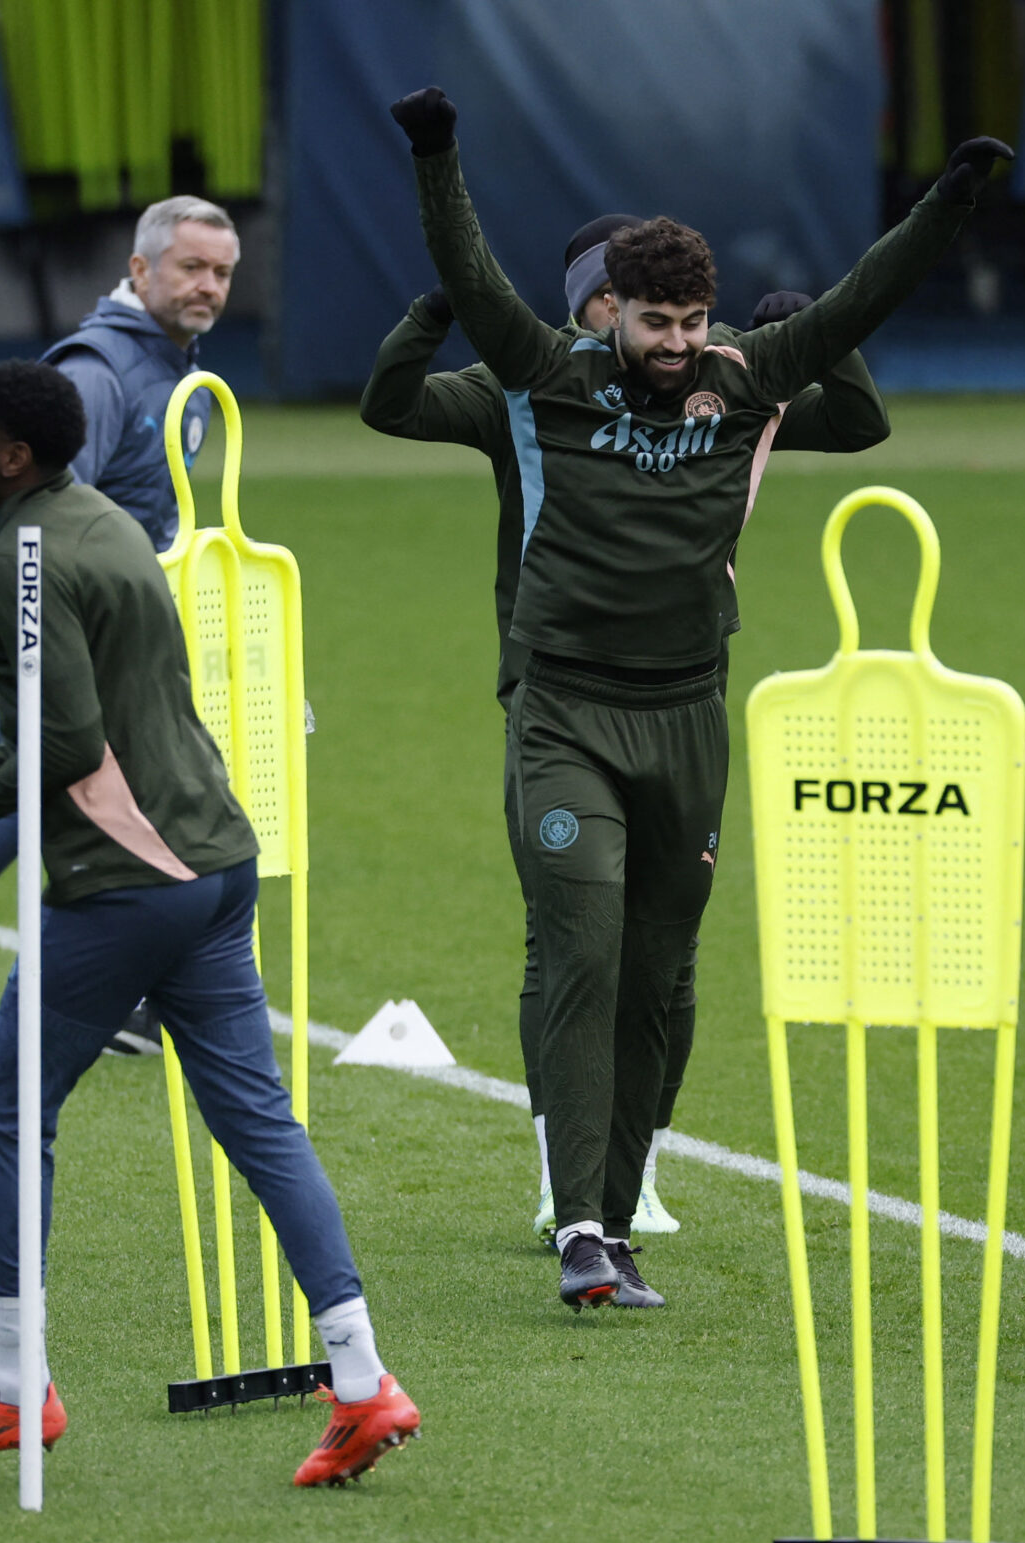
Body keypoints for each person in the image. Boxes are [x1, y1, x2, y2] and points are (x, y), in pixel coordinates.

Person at [387, 83, 1007, 1311]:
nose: (673, 343)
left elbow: (859, 303)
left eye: (690, 322)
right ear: (612, 315)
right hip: (563, 710)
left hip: (688, 718)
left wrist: (946, 202)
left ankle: (617, 1220)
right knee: (583, 946)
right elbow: (470, 262)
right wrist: (437, 151)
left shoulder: (746, 377)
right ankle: (573, 1223)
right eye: (653, 322)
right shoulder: (548, 374)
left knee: (663, 978)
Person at [0, 361, 422, 1487]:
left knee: (1, 1111)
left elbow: (69, 751)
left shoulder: (13, 557)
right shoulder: (106, 521)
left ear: (13, 457)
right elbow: (103, 710)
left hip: (129, 882)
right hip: (219, 862)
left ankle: (12, 1387)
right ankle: (364, 1380)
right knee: (261, 1125)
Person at [361, 222, 892, 1244]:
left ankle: (633, 1166)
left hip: (684, 684)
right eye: (618, 305)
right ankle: (564, 1168)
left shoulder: (716, 377)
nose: (650, 330)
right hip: (552, 684)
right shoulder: (527, 380)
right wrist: (434, 308)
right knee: (562, 945)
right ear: (589, 307)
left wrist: (825, 338)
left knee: (666, 957)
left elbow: (854, 422)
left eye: (672, 313)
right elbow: (392, 404)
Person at [0, 195, 242, 1063]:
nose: (209, 287)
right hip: (16, 606)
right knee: (55, 774)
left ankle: (125, 984)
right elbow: (40, 519)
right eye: (190, 267)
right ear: (140, 270)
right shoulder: (100, 371)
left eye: (223, 272)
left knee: (94, 772)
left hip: (90, 618)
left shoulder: (172, 361)